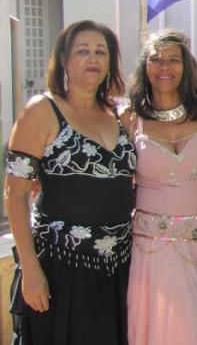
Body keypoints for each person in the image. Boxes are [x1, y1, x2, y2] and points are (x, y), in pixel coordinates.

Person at [4, 20, 135, 344]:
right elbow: (15, 194)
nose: (93, 58)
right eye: (82, 51)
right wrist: (32, 272)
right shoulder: (42, 110)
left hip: (119, 268)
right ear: (64, 60)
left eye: (100, 51)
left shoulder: (120, 115)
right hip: (61, 268)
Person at [122, 29, 197, 345]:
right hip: (153, 250)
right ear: (145, 65)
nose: (163, 66)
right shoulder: (129, 118)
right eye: (155, 59)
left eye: (172, 59)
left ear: (187, 66)